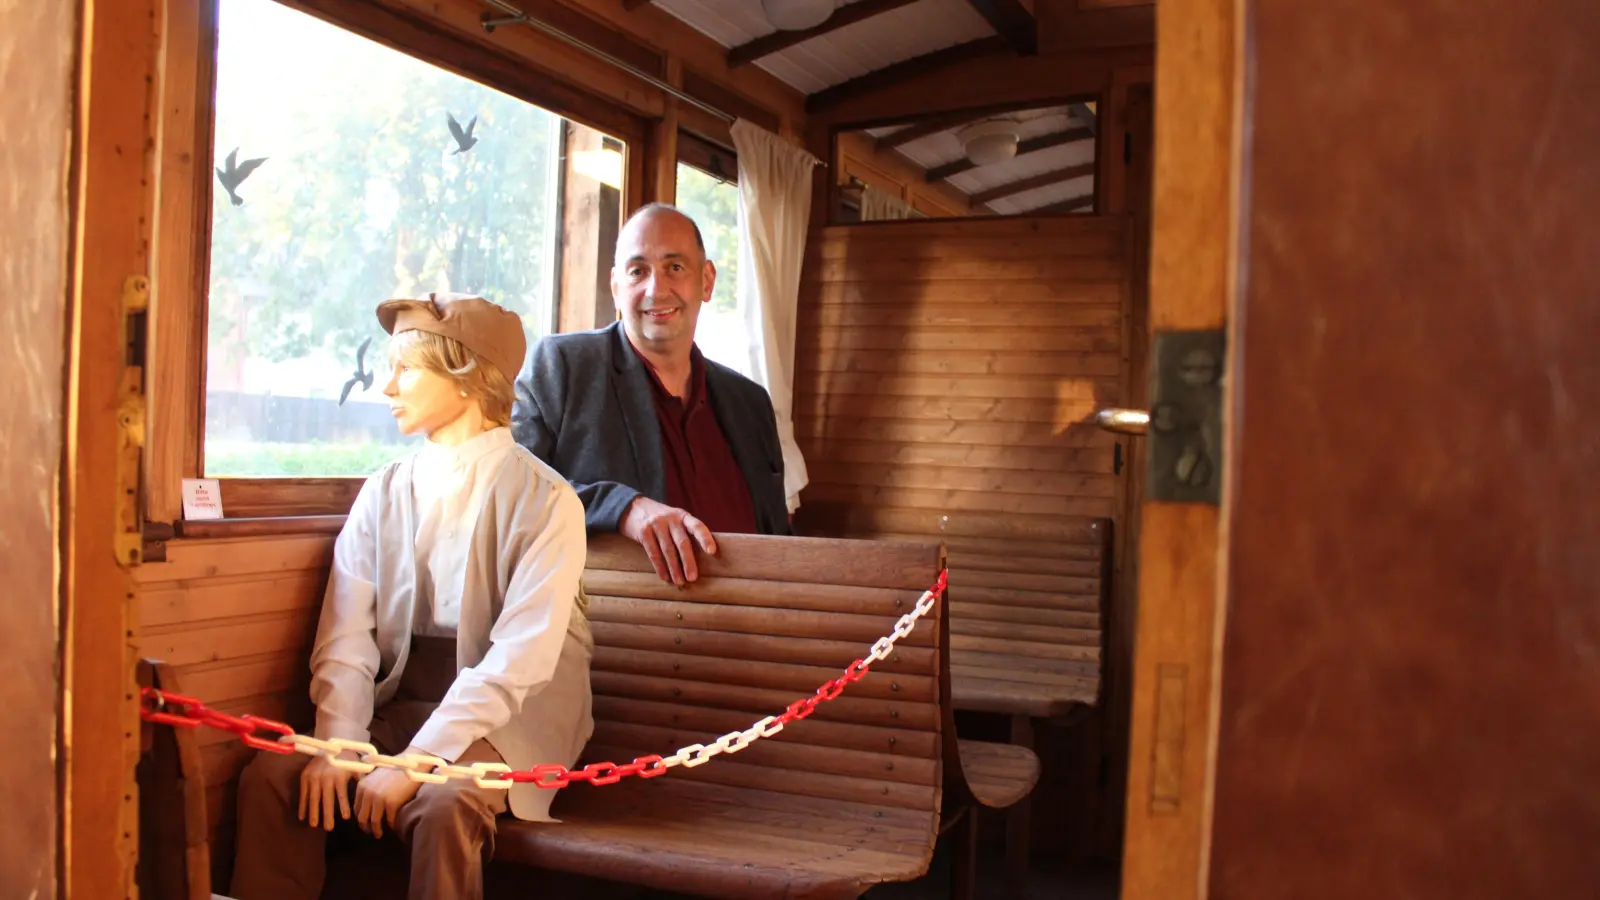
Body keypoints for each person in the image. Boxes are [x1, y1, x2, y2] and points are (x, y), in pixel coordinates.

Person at [230, 292, 594, 900]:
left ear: (468, 374)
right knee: (276, 775)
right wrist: (337, 743)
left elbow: (515, 667)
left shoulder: (549, 502)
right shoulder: (382, 491)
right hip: (398, 701)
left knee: (446, 803)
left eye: (406, 369)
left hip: (515, 717)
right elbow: (346, 637)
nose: (387, 387)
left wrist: (414, 764)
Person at [512, 203, 791, 586]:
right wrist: (624, 508)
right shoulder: (564, 366)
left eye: (675, 268)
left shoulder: (751, 403)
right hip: (622, 632)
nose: (656, 290)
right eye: (637, 271)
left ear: (706, 281)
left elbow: (779, 536)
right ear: (616, 287)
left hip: (751, 629)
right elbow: (511, 487)